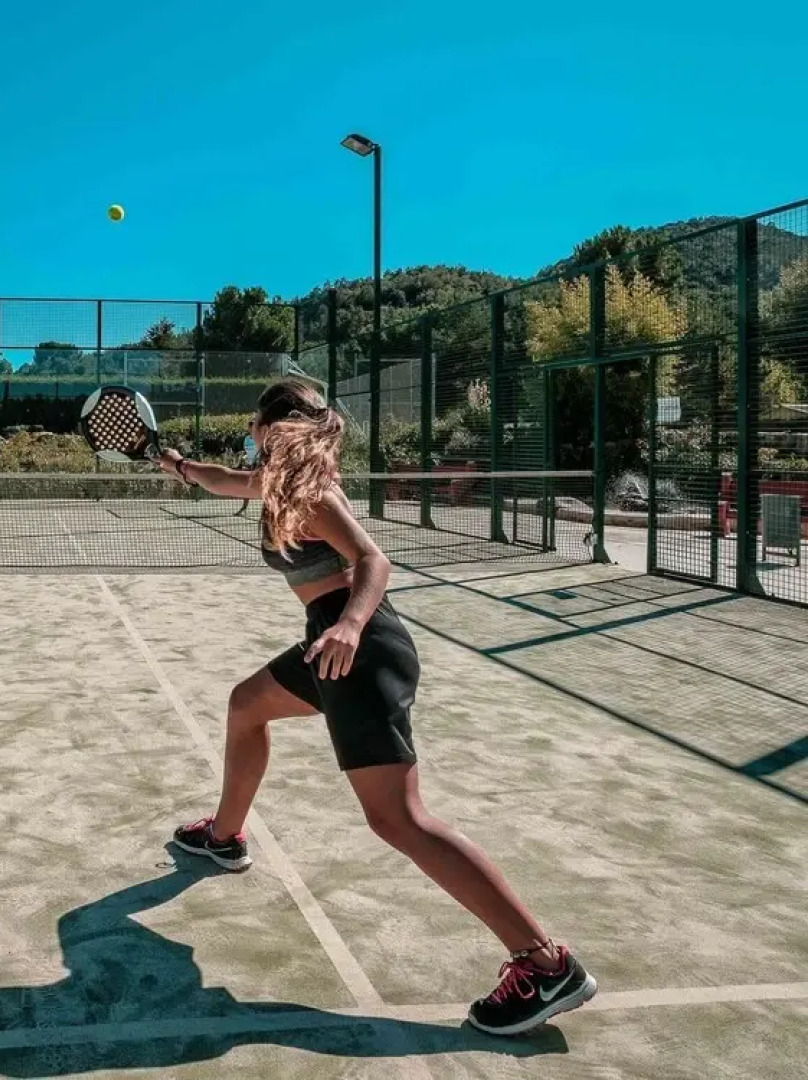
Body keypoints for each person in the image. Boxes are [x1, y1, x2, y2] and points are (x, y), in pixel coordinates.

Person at [154, 378, 597, 1037]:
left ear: (273, 425)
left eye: (253, 423)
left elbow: (372, 559)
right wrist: (182, 466)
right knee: (247, 705)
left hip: (356, 648)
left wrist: (350, 625)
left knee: (398, 819)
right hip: (329, 644)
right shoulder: (278, 483)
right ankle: (224, 838)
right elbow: (225, 481)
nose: (247, 433)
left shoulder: (313, 492)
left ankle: (545, 963)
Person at [235, 424, 258, 516]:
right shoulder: (247, 439)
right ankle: (244, 508)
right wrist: (243, 458)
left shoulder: (260, 437)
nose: (251, 429)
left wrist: (256, 462)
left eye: (253, 427)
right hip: (248, 465)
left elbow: (263, 451)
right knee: (246, 485)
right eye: (250, 428)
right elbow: (246, 452)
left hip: (259, 465)